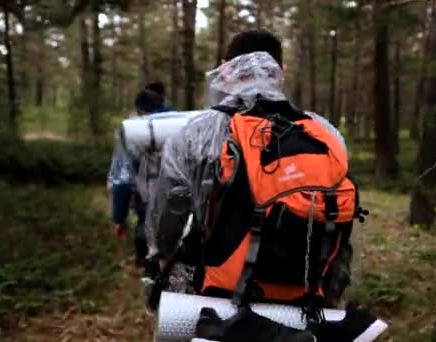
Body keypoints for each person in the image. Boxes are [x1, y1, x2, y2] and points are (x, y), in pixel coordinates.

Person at [143, 30, 379, 341]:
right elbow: (339, 221)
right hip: (307, 301)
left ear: (226, 70)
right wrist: (333, 294)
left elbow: (167, 219)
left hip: (221, 302)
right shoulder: (324, 133)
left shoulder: (198, 133)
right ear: (281, 72)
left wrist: (159, 263)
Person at [107, 85, 170, 268]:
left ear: (140, 110)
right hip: (183, 212)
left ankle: (145, 268)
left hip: (148, 210)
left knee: (147, 243)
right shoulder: (180, 125)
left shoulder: (134, 132)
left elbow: (123, 179)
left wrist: (119, 217)